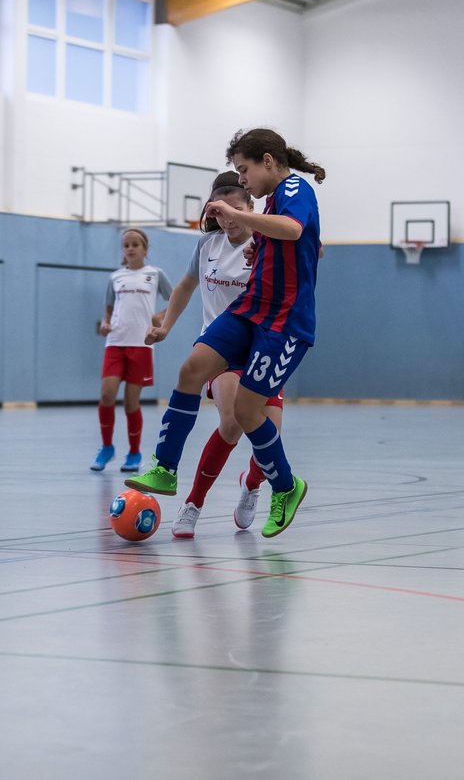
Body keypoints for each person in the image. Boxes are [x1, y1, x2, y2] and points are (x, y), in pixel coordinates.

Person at [126, 128, 323, 538]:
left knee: (248, 415)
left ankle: (284, 487)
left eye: (244, 169)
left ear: (268, 160)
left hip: (283, 322)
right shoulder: (264, 206)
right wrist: (259, 247)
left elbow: (293, 229)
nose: (242, 178)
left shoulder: (294, 187)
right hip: (251, 309)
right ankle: (165, 467)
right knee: (191, 369)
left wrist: (244, 220)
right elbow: (279, 239)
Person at [145, 172, 285, 538]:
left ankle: (252, 485)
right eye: (220, 212)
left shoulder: (267, 244)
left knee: (267, 437)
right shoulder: (207, 245)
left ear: (250, 207)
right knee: (232, 421)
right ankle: (193, 503)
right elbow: (186, 286)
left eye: (235, 210)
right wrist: (165, 327)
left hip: (264, 347)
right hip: (222, 350)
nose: (228, 219)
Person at [92, 228, 172, 472]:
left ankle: (134, 452)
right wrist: (105, 323)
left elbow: (176, 298)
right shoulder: (115, 277)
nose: (130, 248)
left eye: (135, 244)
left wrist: (161, 317)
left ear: (145, 249)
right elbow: (108, 308)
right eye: (126, 245)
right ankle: (107, 447)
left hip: (141, 344)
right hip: (115, 342)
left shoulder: (155, 274)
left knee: (130, 403)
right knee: (107, 395)